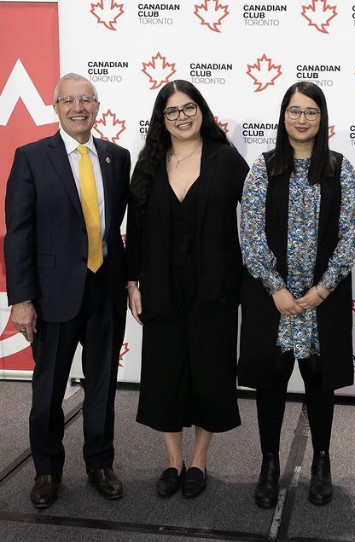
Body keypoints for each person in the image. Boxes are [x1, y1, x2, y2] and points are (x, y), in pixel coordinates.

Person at [4, 73, 130, 508]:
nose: (79, 107)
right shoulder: (32, 157)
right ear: (55, 107)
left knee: (102, 386)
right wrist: (20, 299)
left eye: (87, 100)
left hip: (105, 292)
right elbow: (17, 234)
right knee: (47, 392)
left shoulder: (117, 157)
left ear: (97, 107)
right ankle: (47, 470)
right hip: (52, 296)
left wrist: (131, 281)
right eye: (70, 100)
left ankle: (99, 463)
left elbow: (115, 230)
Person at [239, 81, 355, 508]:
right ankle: (269, 464)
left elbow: (350, 235)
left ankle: (321, 462)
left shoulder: (338, 168)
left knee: (319, 383)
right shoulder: (264, 168)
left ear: (322, 117)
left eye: (311, 111)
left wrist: (323, 288)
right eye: (294, 110)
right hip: (273, 303)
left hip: (319, 303)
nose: (302, 118)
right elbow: (250, 233)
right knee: (270, 382)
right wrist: (275, 288)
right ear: (283, 115)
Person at [126, 80, 249, 499]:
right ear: (162, 119)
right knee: (164, 372)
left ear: (202, 110)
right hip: (161, 285)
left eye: (189, 107)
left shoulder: (228, 160)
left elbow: (252, 225)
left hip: (214, 286)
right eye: (172, 111)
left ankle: (199, 460)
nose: (182, 116)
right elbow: (136, 232)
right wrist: (132, 282)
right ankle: (172, 461)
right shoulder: (148, 163)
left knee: (210, 372)